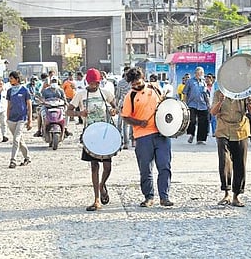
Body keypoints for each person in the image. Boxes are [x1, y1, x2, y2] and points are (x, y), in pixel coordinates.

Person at [121, 67, 174, 208]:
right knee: (145, 169)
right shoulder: (130, 96)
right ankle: (148, 197)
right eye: (133, 85)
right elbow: (126, 117)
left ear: (143, 77)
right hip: (142, 136)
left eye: (138, 83)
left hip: (161, 133)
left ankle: (164, 196)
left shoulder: (155, 89)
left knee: (164, 166)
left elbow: (165, 107)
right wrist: (139, 122)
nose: (136, 86)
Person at [67, 68, 118, 211]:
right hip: (90, 134)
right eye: (91, 83)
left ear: (99, 82)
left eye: (96, 83)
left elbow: (116, 107)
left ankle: (102, 185)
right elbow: (68, 111)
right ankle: (96, 199)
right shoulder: (81, 95)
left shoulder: (105, 93)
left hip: (105, 133)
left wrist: (114, 111)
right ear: (87, 82)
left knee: (107, 166)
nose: (94, 85)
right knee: (94, 166)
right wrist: (79, 112)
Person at [210, 88, 251, 207]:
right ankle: (226, 193)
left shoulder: (244, 92)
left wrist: (250, 103)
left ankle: (236, 195)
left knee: (240, 163)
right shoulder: (218, 93)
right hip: (223, 129)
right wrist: (220, 101)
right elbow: (213, 112)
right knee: (224, 162)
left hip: (240, 130)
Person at [6, 71, 32, 168]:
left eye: (12, 78)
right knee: (19, 140)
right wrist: (7, 118)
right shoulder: (9, 91)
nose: (10, 80)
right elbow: (9, 106)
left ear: (17, 79)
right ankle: (27, 157)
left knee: (16, 139)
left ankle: (13, 160)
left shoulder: (25, 90)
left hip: (22, 118)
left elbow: (29, 105)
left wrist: (29, 120)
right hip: (12, 119)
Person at [183, 66, 209, 145]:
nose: (200, 74)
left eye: (201, 73)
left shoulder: (203, 82)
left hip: (202, 104)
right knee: (192, 120)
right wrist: (184, 104)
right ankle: (191, 134)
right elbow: (185, 93)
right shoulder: (190, 81)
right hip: (192, 104)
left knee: (203, 122)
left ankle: (200, 139)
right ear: (195, 73)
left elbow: (206, 94)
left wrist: (208, 104)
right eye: (198, 73)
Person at [116, 66, 133, 149]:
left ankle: (127, 141)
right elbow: (118, 96)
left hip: (129, 105)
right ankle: (124, 141)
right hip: (125, 105)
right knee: (123, 125)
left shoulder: (132, 82)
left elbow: (118, 96)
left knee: (126, 125)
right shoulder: (131, 82)